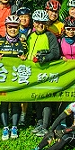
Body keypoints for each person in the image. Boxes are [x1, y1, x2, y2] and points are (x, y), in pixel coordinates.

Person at [26, 83, 75, 150]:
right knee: (55, 130)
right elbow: (60, 117)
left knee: (67, 137)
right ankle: (38, 148)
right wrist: (51, 130)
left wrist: (64, 131)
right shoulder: (73, 105)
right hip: (72, 130)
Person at [26, 9, 61, 137]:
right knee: (37, 98)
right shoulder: (31, 35)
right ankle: (39, 122)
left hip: (45, 71)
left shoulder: (50, 36)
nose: (40, 25)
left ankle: (45, 126)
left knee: (45, 99)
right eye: (37, 22)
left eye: (43, 23)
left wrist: (44, 58)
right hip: (33, 71)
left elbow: (56, 52)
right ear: (33, 23)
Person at [0, 14, 28, 140]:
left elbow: (28, 59)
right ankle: (5, 127)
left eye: (15, 27)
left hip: (17, 78)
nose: (13, 30)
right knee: (4, 103)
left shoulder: (23, 44)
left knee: (15, 103)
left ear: (19, 28)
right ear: (6, 28)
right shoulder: (0, 42)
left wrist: (25, 59)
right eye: (10, 27)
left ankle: (14, 126)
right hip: (4, 78)